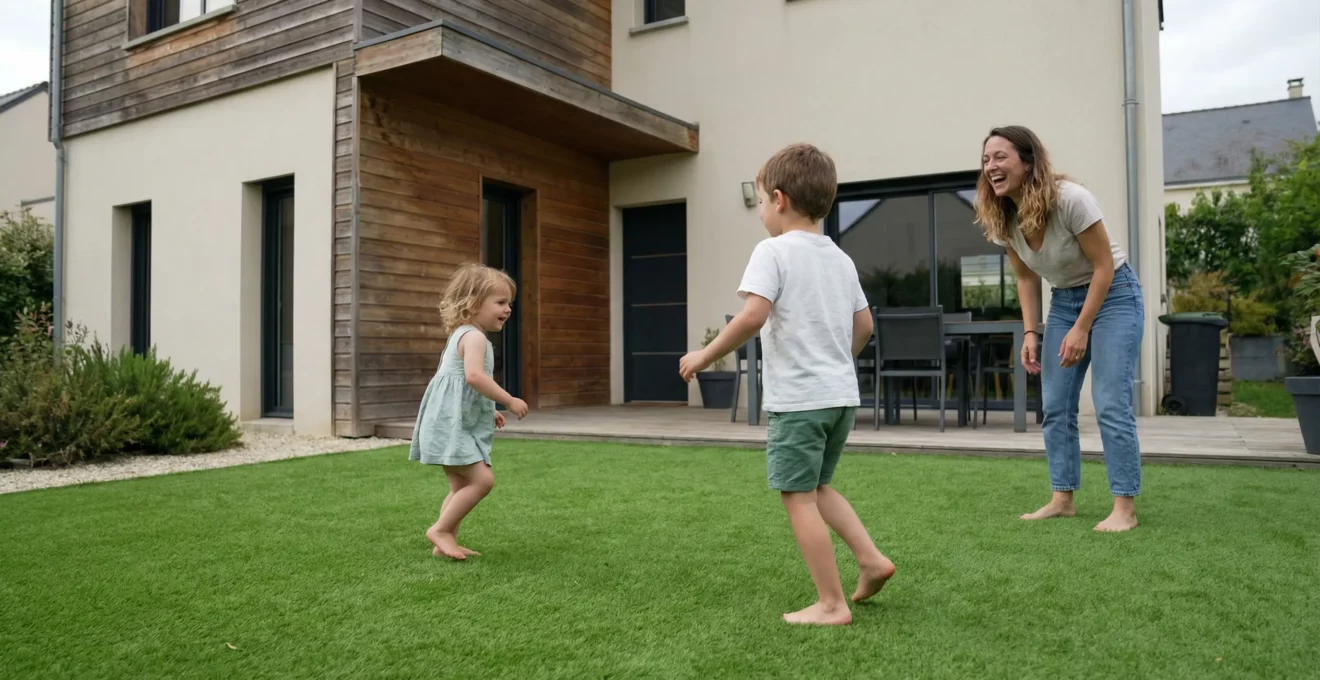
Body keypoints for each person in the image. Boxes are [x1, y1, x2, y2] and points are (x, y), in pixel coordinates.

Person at [680, 143, 896, 626]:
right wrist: (836, 363)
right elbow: (864, 325)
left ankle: (831, 603)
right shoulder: (840, 257)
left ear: (779, 199)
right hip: (840, 397)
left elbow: (753, 315)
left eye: (760, 202)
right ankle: (871, 560)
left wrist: (704, 355)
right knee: (818, 486)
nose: (760, 211)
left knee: (797, 496)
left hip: (800, 401)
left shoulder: (771, 251)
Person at [974, 125, 1144, 533]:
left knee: (1110, 403)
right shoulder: (1004, 217)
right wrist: (1031, 333)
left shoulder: (1071, 200)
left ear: (1028, 161)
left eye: (1000, 157)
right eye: (986, 160)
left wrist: (1082, 328)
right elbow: (1026, 279)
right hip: (1064, 301)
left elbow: (1104, 266)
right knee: (1055, 406)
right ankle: (1062, 499)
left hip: (1115, 296)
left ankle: (1124, 508)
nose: (991, 166)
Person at [410, 263, 529, 560]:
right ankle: (440, 531)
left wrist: (487, 410)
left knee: (461, 485)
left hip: (448, 421)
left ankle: (445, 541)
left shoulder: (462, 334)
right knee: (482, 481)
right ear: (473, 303)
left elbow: (463, 386)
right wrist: (508, 400)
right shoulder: (474, 338)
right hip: (451, 425)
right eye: (500, 302)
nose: (508, 309)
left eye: (509, 303)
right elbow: (475, 377)